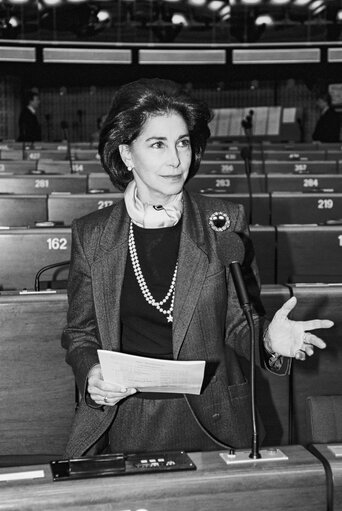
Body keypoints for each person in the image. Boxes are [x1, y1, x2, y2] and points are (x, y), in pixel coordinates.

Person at [62, 78, 333, 459]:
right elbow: (80, 331)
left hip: (216, 413)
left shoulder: (223, 221)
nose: (175, 159)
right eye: (157, 144)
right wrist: (91, 373)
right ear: (126, 153)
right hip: (128, 414)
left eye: (183, 142)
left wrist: (269, 340)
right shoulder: (92, 234)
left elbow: (241, 323)